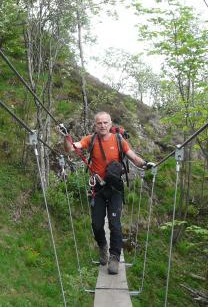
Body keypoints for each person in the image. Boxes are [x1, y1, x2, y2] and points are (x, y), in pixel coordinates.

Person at [62, 111, 154, 275]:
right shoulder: (90, 140)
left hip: (115, 189)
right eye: (99, 123)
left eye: (105, 123)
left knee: (114, 223)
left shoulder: (119, 140)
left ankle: (114, 257)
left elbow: (133, 157)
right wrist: (66, 136)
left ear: (110, 124)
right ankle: (103, 246)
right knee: (96, 224)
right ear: (95, 125)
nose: (103, 125)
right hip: (97, 188)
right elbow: (71, 148)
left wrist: (146, 164)